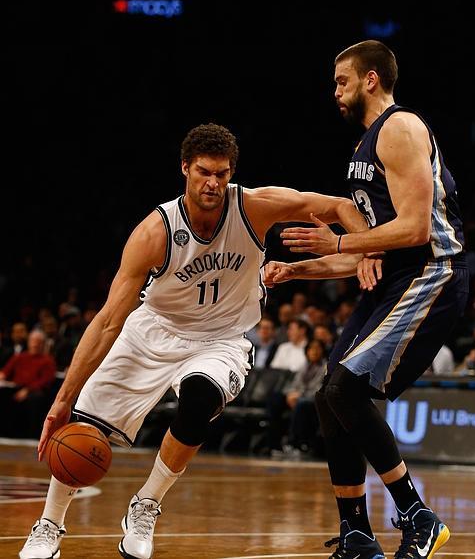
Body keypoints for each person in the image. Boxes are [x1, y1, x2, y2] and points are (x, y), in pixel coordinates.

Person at [19, 123, 370, 559]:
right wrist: (61, 400)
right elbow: (109, 320)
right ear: (185, 168)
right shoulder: (155, 231)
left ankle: (146, 504)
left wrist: (367, 247)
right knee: (85, 431)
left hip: (220, 340)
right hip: (153, 332)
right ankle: (49, 525)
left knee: (200, 398)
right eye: (204, 172)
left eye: (222, 174)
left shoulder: (255, 207)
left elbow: (337, 206)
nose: (213, 183)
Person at [265, 41, 468, 559]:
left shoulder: (400, 128)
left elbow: (415, 227)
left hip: (431, 272)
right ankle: (357, 533)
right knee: (328, 395)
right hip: (395, 277)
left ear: (371, 79)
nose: (335, 91)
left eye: (342, 81)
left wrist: (338, 241)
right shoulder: (364, 147)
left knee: (346, 391)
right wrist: (298, 270)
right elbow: (363, 252)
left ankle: (417, 516)